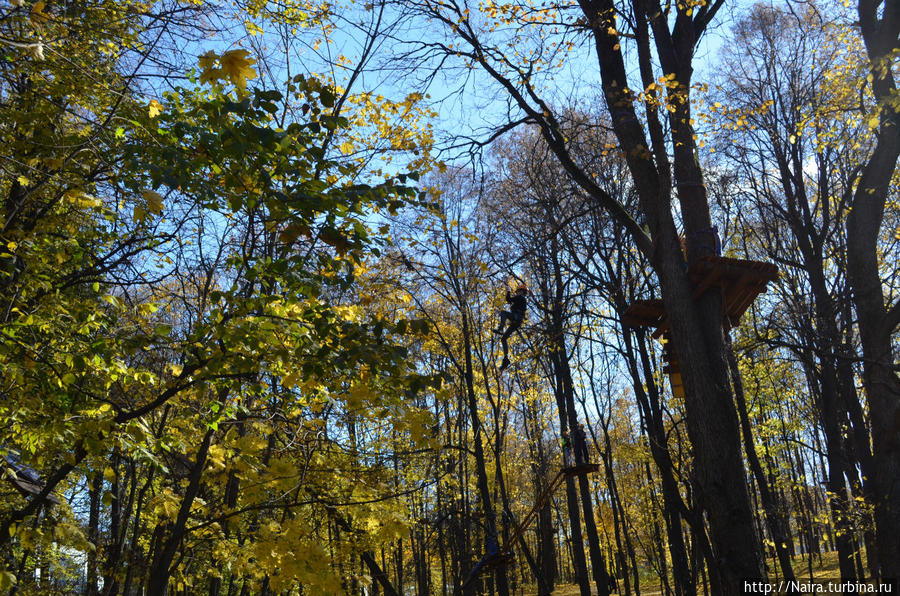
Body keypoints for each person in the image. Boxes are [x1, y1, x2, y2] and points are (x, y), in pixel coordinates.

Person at [493, 285, 528, 370]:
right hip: (516, 321)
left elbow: (508, 299)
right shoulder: (520, 300)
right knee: (503, 339)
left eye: (519, 291)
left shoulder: (521, 298)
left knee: (503, 313)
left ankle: (501, 328)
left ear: (522, 292)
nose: (517, 293)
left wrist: (508, 290)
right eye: (517, 291)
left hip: (517, 317)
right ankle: (506, 358)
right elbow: (510, 301)